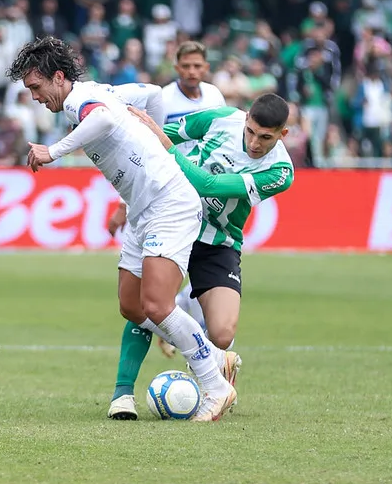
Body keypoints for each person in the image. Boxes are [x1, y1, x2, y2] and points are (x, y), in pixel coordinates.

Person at [9, 36, 237, 422]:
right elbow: (150, 94)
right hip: (140, 209)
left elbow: (105, 118)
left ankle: (215, 385)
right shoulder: (98, 90)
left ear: (58, 77)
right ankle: (212, 354)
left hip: (170, 202)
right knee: (131, 306)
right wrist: (153, 137)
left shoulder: (85, 102)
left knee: (158, 305)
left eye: (36, 87)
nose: (33, 96)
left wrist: (54, 151)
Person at [109, 94, 295, 420]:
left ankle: (183, 319)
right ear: (245, 117)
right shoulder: (220, 118)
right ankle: (123, 394)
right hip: (172, 221)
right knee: (139, 304)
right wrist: (128, 198)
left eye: (265, 137)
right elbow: (156, 137)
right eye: (250, 131)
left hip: (217, 240)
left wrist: (164, 143)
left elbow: (206, 183)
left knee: (222, 333)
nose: (254, 142)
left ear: (283, 134)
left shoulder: (279, 171)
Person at [107, 42, 226, 365]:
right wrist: (122, 204)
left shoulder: (215, 98)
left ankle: (178, 320)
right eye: (186, 66)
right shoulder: (162, 99)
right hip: (163, 194)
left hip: (202, 192)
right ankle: (180, 327)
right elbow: (140, 151)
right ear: (176, 67)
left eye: (198, 66)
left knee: (200, 264)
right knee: (156, 281)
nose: (192, 72)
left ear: (206, 67)